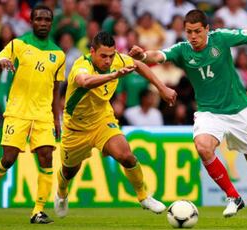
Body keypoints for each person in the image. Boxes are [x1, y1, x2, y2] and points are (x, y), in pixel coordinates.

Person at [129, 9, 247, 224]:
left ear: (207, 29)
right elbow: (158, 55)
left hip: (238, 110)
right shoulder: (182, 50)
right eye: (189, 32)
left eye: (197, 31)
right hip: (209, 112)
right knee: (202, 147)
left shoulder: (222, 38)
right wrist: (143, 55)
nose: (193, 37)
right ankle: (233, 196)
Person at [54, 31, 177, 218]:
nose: (108, 61)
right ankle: (62, 193)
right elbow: (85, 81)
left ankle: (144, 197)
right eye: (103, 56)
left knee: (126, 156)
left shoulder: (117, 61)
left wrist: (162, 88)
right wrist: (113, 76)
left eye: (111, 56)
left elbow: (138, 64)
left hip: (102, 121)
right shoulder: (82, 65)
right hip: (76, 129)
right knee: (69, 170)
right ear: (92, 51)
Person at [0, 5, 65, 224]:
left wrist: (57, 118)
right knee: (8, 159)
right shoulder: (17, 44)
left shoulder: (58, 54)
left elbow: (56, 90)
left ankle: (38, 211)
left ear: (51, 23)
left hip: (43, 115)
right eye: (39, 19)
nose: (43, 23)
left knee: (46, 158)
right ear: (31, 21)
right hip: (18, 112)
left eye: (47, 20)